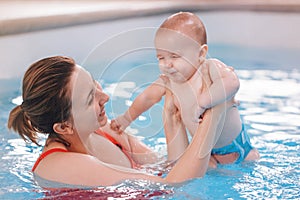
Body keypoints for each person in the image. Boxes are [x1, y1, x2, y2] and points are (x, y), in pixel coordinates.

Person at [8, 56, 228, 188]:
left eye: (95, 85)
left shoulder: (104, 130)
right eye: (89, 99)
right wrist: (215, 110)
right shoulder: (60, 165)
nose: (105, 98)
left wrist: (172, 115)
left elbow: (166, 168)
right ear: (64, 127)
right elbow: (174, 187)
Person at [111, 12, 259, 165]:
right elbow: (147, 97)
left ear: (201, 53)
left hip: (237, 147)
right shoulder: (169, 81)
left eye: (174, 56)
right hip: (207, 153)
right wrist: (126, 118)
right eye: (161, 58)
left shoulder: (209, 68)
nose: (167, 64)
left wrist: (203, 102)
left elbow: (232, 82)